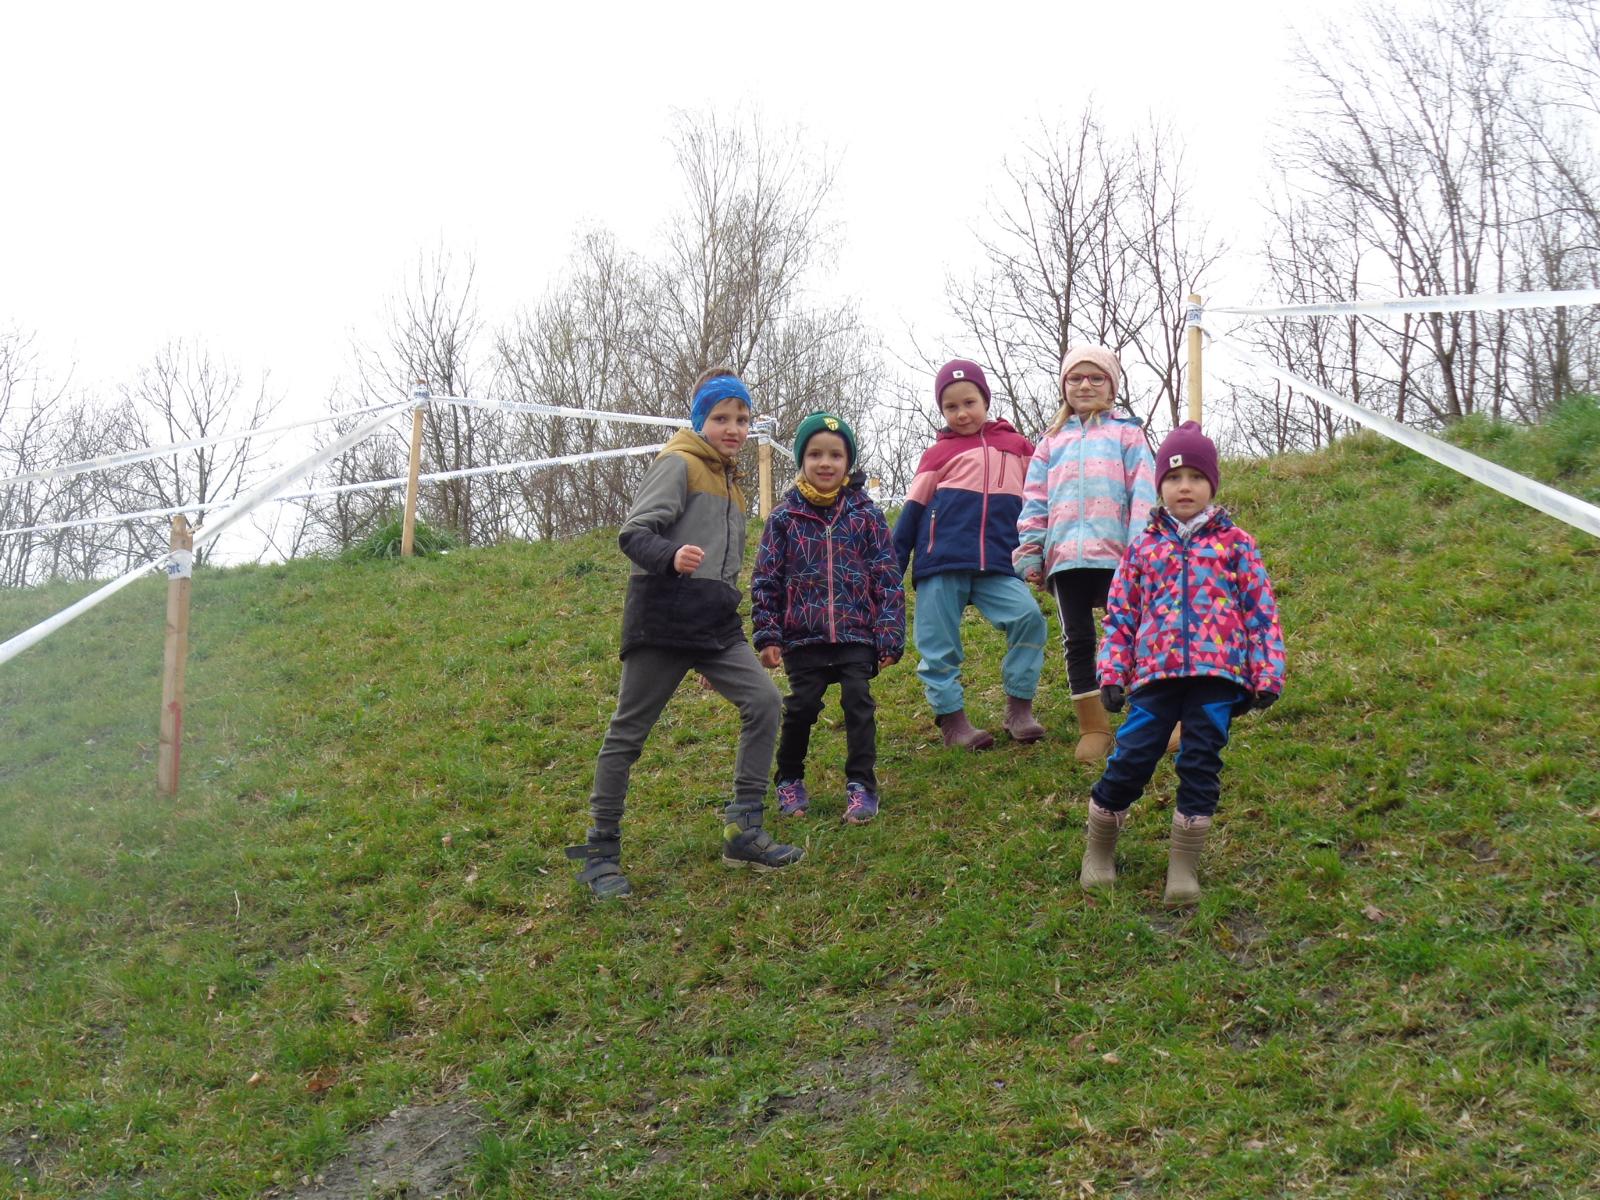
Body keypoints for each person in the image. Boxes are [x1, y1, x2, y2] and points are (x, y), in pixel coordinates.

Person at [565, 368, 804, 899]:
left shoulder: (732, 483)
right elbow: (634, 534)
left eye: (742, 418)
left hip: (714, 626)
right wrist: (671, 556)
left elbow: (724, 567)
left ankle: (743, 830)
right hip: (663, 618)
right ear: (700, 421)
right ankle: (600, 852)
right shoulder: (679, 463)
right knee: (628, 735)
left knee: (765, 701)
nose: (733, 428)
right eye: (721, 418)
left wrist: (720, 636)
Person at [1080, 421, 1286, 904]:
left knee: (1200, 762)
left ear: (1212, 483)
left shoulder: (1237, 543)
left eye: (1195, 476)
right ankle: (1099, 850)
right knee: (1131, 758)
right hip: (1155, 677)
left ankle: (1183, 867)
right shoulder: (1142, 547)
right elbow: (1120, 616)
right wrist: (1112, 671)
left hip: (1218, 678)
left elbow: (1260, 612)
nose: (1184, 486)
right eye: (1173, 478)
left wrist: (1267, 673)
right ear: (1160, 486)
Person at [752, 412, 905, 823]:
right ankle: (789, 778)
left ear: (847, 462)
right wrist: (768, 635)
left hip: (857, 633)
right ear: (801, 460)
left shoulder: (866, 514)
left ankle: (861, 785)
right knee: (801, 707)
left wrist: (889, 634)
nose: (825, 463)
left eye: (835, 455)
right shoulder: (784, 518)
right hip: (803, 635)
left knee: (858, 703)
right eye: (815, 454)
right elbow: (766, 579)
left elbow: (887, 576)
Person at [892, 358, 1048, 750]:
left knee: (1029, 619)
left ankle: (1019, 707)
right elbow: (911, 512)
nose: (961, 413)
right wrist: (890, 569)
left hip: (1000, 562)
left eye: (969, 402)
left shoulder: (1017, 447)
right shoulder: (936, 455)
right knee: (938, 643)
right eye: (951, 407)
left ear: (985, 400)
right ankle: (952, 721)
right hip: (941, 562)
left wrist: (1046, 550)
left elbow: (1041, 498)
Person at [1014, 345, 1157, 765]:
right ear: (1064, 386)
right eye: (1075, 378)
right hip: (1065, 558)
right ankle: (1093, 726)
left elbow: (1143, 493)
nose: (1085, 385)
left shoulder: (1128, 434)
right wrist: (1031, 550)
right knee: (1077, 639)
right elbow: (1034, 500)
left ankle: (1154, 717)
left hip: (1117, 556)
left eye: (1096, 377)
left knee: (1133, 632)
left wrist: (1139, 552)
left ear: (1112, 387)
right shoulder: (1050, 442)